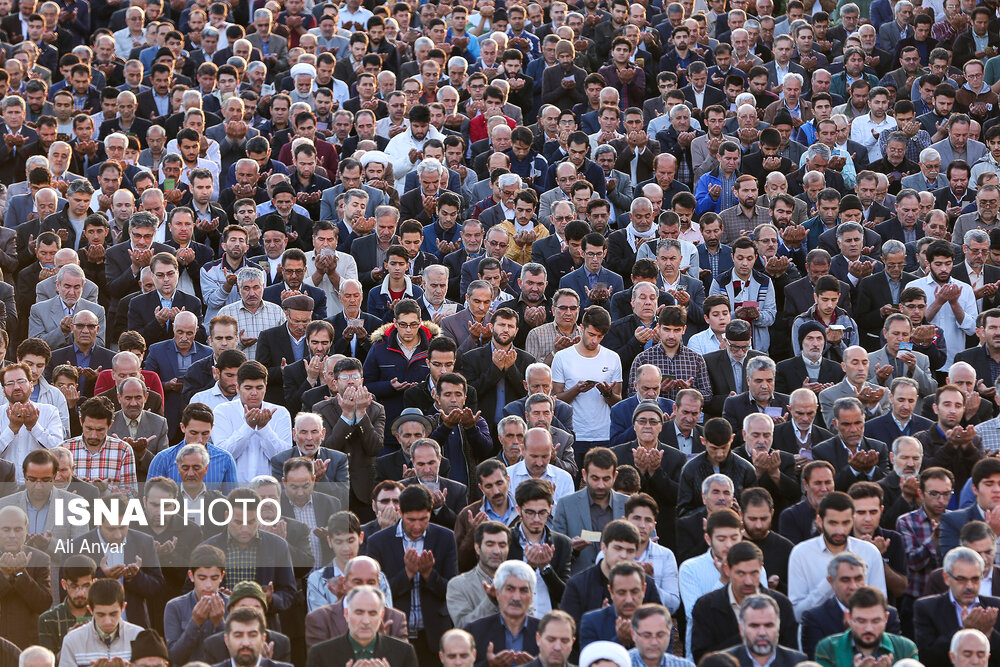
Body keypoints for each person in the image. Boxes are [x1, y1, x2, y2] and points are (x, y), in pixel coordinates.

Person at [690, 541, 798, 663]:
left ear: (761, 568)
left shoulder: (781, 604)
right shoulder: (706, 606)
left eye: (754, 573)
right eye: (741, 573)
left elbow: (791, 655)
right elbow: (702, 658)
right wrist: (745, 636)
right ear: (727, 569)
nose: (748, 581)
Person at [787, 492, 888, 620]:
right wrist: (831, 582)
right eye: (833, 523)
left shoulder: (869, 552)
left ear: (853, 520)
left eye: (845, 523)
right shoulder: (801, 554)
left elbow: (880, 606)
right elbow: (798, 614)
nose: (840, 530)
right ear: (819, 521)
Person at [914, 547, 1000, 666]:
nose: (969, 586)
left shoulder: (995, 606)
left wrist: (989, 632)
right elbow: (927, 658)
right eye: (961, 579)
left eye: (975, 579)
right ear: (946, 578)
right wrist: (963, 630)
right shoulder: (927, 608)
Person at [211, 360, 293, 483]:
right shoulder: (222, 411)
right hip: (234, 490)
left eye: (259, 388)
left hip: (270, 492)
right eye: (248, 388)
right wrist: (248, 427)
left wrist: (264, 429)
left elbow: (283, 459)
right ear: (238, 388)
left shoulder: (280, 413)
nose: (254, 393)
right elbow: (223, 456)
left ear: (266, 388)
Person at [814, 586, 918, 665]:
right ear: (848, 617)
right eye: (861, 621)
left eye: (875, 621)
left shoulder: (906, 649)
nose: (869, 628)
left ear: (886, 618)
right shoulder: (827, 648)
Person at [58, 579, 143, 667]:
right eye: (101, 615)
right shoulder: (72, 640)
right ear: (90, 610)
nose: (107, 621)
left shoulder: (138, 636)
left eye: (113, 614)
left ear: (123, 608)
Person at [724, 595, 808, 667]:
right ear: (741, 629)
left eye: (768, 625)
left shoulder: (797, 662)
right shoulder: (724, 663)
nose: (762, 633)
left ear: (778, 627)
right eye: (754, 626)